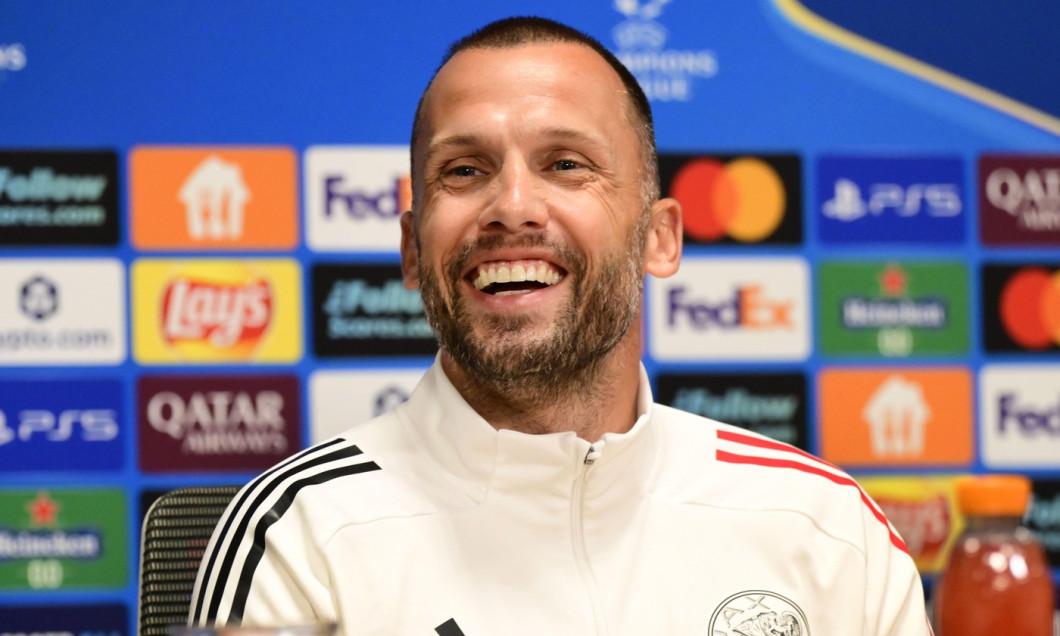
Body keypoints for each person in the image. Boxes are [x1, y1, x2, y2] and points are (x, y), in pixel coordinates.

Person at [189, 16, 933, 635]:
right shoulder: (299, 533)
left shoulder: (827, 529)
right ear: (412, 250)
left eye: (567, 164)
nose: (512, 206)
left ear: (659, 238)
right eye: (463, 171)